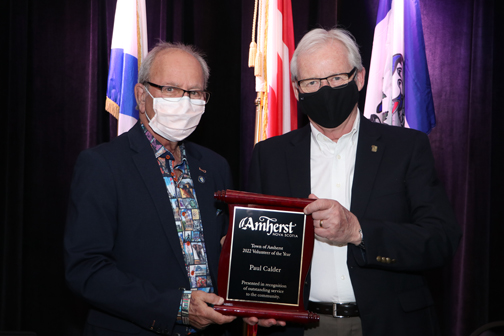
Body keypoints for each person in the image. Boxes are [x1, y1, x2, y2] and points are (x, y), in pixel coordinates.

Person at [246, 28, 461, 336]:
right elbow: (258, 244)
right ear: (296, 90)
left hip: (388, 324)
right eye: (312, 82)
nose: (325, 89)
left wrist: (357, 231)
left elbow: (441, 240)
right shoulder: (270, 155)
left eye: (336, 78)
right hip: (299, 327)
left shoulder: (407, 148)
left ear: (359, 78)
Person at [64, 42, 236, 335]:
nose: (185, 101)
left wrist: (257, 302)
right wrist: (177, 307)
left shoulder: (215, 166)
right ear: (141, 96)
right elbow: (86, 270)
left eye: (194, 92)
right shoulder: (102, 165)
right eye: (170, 89)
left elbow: (226, 253)